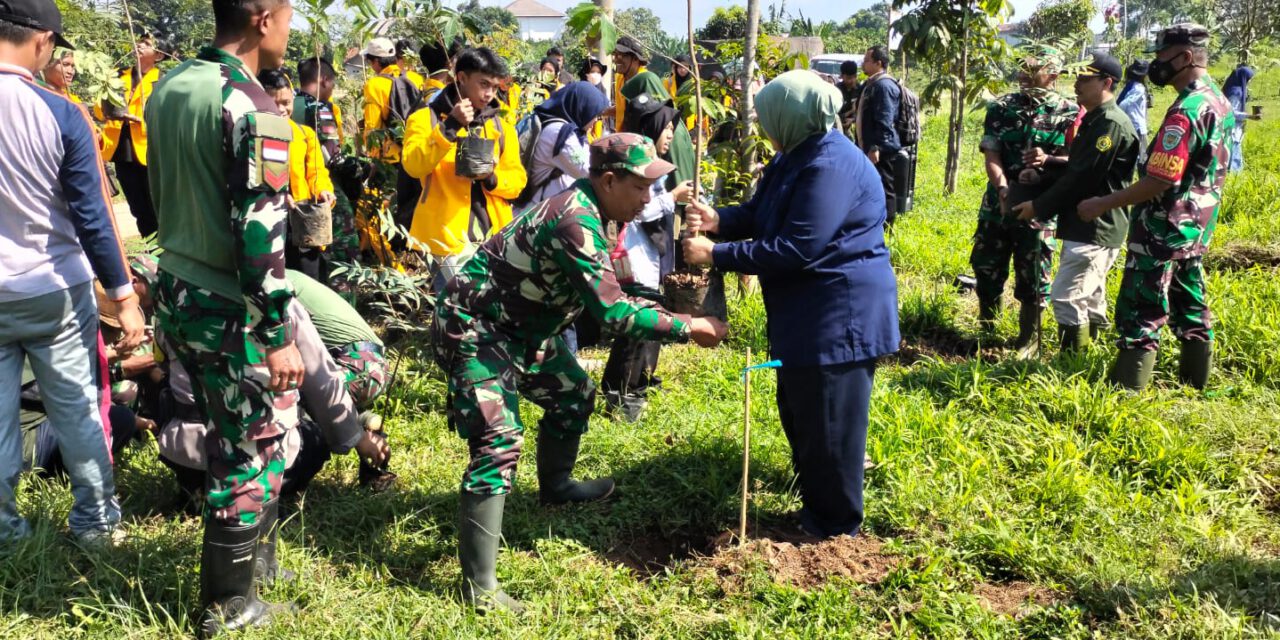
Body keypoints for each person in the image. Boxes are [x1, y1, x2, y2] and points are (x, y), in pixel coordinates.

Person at [433, 133, 728, 613]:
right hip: (476, 327)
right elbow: (612, 311)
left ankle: (557, 487)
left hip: (524, 328)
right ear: (608, 181)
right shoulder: (575, 220)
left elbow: (613, 289)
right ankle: (479, 586)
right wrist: (688, 325)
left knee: (574, 394)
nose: (648, 197)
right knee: (498, 439)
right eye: (640, 187)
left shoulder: (604, 213)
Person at [681, 70, 899, 539]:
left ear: (791, 115)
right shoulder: (795, 154)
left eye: (769, 116)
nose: (764, 126)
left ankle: (835, 529)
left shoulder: (831, 166)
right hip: (806, 313)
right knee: (803, 411)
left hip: (839, 313)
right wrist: (719, 219)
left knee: (830, 423)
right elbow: (761, 214)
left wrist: (716, 253)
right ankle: (815, 504)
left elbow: (798, 246)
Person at [144, 0, 304, 631]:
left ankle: (256, 568)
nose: (290, 30)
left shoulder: (170, 86)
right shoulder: (254, 108)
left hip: (177, 288)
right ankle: (228, 607)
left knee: (240, 434)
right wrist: (277, 332)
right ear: (264, 19)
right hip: (228, 306)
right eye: (288, 16)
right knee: (249, 452)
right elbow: (260, 235)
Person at [0, 0, 145, 547]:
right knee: (78, 410)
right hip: (54, 292)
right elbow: (93, 216)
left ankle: (5, 531)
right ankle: (96, 524)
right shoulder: (60, 112)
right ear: (42, 40)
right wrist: (124, 297)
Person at [1078, 24, 1234, 391]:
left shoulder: (1186, 111)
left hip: (1162, 228)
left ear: (1186, 57)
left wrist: (1103, 203)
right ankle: (1195, 385)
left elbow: (1159, 180)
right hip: (1196, 227)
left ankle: (1126, 393)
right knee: (1190, 301)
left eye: (1162, 57)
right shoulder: (1218, 100)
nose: (1156, 65)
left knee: (1140, 308)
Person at [1011, 53, 1139, 351]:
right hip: (1085, 223)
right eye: (1077, 77)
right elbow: (1077, 168)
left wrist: (1038, 207)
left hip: (1095, 226)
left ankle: (1071, 364)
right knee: (1091, 296)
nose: (1077, 84)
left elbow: (1082, 178)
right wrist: (1043, 174)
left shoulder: (1109, 124)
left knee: (1067, 296)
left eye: (1085, 79)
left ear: (1106, 83)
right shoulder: (1095, 120)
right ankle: (1092, 354)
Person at [971, 46, 1078, 356]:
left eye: (1033, 69)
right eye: (1021, 67)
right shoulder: (1001, 108)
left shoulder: (1070, 112)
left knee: (1034, 275)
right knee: (986, 266)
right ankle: (987, 330)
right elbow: (992, 154)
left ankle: (1027, 342)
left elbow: (1076, 160)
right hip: (998, 203)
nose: (1023, 74)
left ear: (1053, 74)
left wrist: (1047, 164)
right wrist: (1003, 188)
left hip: (1040, 207)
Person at [601, 94, 694, 420]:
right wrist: (672, 197)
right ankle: (621, 394)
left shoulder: (655, 166)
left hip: (651, 258)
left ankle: (640, 382)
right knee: (636, 331)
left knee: (651, 324)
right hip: (637, 258)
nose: (670, 136)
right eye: (666, 129)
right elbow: (638, 211)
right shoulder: (638, 169)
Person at [401, 47, 526, 284]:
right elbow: (413, 166)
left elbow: (517, 182)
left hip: (494, 238)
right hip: (444, 239)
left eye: (494, 87)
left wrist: (491, 178)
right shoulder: (425, 119)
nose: (489, 94)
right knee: (459, 303)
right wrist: (449, 128)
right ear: (461, 78)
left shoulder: (501, 127)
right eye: (483, 84)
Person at [261, 68, 338, 282]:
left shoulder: (305, 135)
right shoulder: (255, 136)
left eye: (286, 102)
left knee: (310, 280)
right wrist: (278, 196)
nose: (281, 109)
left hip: (304, 224)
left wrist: (323, 190)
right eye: (273, 103)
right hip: (271, 225)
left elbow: (317, 172)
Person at [294, 57, 363, 268]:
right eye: (332, 82)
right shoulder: (320, 109)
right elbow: (332, 157)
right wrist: (361, 168)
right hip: (323, 184)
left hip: (296, 186)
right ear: (324, 80)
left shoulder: (290, 103)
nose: (332, 88)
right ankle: (344, 284)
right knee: (344, 242)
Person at [100, 33, 167, 237]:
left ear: (158, 56)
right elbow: (101, 109)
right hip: (123, 151)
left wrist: (141, 120)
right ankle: (151, 247)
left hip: (150, 151)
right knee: (138, 208)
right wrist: (108, 110)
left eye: (146, 44)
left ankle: (165, 247)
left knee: (157, 206)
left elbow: (166, 116)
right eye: (139, 41)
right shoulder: (117, 76)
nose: (139, 45)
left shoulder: (163, 81)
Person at [360, 36, 418, 233]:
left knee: (384, 210)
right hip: (414, 154)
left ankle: (386, 246)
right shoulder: (414, 79)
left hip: (389, 159)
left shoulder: (375, 85)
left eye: (370, 62)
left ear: (376, 61)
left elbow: (372, 128)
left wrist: (373, 160)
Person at [520, 81, 609, 206]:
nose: (596, 121)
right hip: (538, 211)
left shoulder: (559, 126)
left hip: (546, 207)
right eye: (596, 115)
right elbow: (587, 171)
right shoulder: (559, 133)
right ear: (582, 108)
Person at [856, 45, 904, 226]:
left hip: (880, 149)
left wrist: (876, 147)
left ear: (878, 63)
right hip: (869, 147)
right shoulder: (871, 84)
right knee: (871, 186)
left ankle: (888, 226)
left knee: (884, 187)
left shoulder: (884, 86)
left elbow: (885, 118)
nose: (863, 63)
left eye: (867, 60)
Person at [1222, 61, 1256, 173]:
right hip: (1232, 128)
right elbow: (1231, 113)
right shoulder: (1236, 92)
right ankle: (1233, 174)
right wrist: (1249, 116)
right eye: (1249, 79)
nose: (1249, 82)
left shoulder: (1229, 88)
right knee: (1234, 150)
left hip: (1228, 127)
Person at [611, 36, 648, 129]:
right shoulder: (620, 79)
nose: (616, 59)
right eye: (615, 55)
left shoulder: (645, 80)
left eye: (621, 55)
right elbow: (622, 109)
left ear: (635, 58)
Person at [1117, 61, 1150, 164]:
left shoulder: (1129, 85)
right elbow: (1124, 104)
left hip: (1131, 124)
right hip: (1137, 126)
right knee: (1142, 156)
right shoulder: (1138, 88)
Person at [837, 59, 859, 136]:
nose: (852, 80)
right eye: (849, 78)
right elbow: (835, 115)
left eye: (854, 77)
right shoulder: (837, 90)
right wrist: (851, 111)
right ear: (842, 76)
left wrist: (853, 120)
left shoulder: (860, 89)